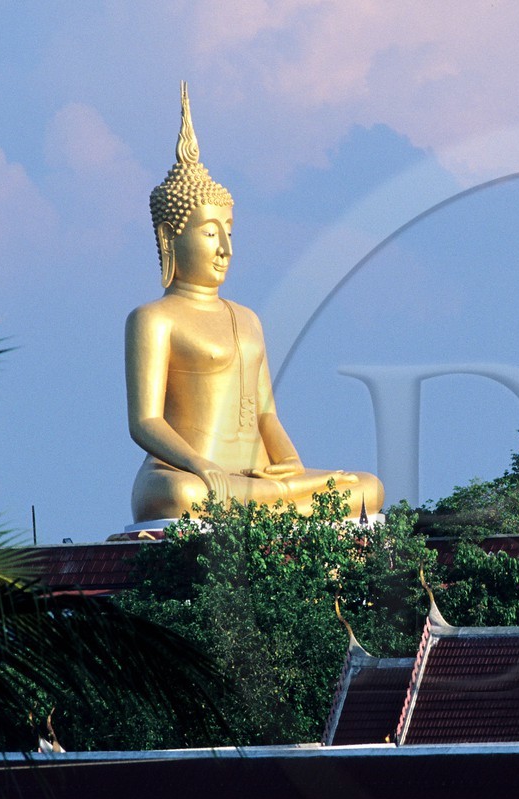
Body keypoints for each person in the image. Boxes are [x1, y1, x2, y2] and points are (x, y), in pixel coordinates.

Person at [125, 84, 383, 524]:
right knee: (185, 497)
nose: (225, 246)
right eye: (210, 233)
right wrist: (202, 467)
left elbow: (265, 413)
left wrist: (292, 471)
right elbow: (145, 422)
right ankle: (267, 501)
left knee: (366, 489)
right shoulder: (154, 319)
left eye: (229, 231)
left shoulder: (246, 319)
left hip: (255, 481)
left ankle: (275, 501)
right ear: (170, 237)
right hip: (185, 478)